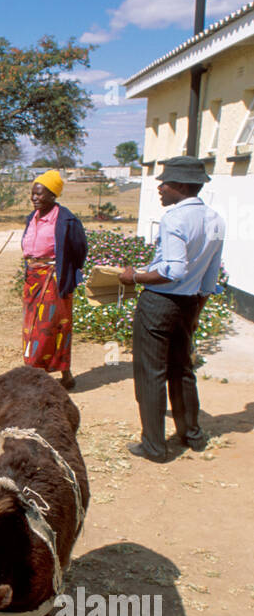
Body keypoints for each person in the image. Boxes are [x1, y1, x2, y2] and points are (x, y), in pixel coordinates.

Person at [119, 156, 225, 464]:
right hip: (189, 302)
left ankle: (154, 446)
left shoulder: (175, 219)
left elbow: (174, 270)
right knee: (183, 370)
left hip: (159, 304)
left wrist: (133, 277)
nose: (160, 188)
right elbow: (209, 277)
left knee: (151, 374)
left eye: (163, 183)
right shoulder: (216, 219)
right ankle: (192, 435)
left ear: (179, 186)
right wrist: (195, 312)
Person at [20, 170, 87, 389]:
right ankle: (61, 375)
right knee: (32, 327)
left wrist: (67, 273)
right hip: (33, 279)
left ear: (53, 195)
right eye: (33, 194)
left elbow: (79, 250)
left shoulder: (66, 220)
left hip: (54, 279)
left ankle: (35, 374)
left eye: (40, 194)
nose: (35, 198)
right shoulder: (33, 217)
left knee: (51, 326)